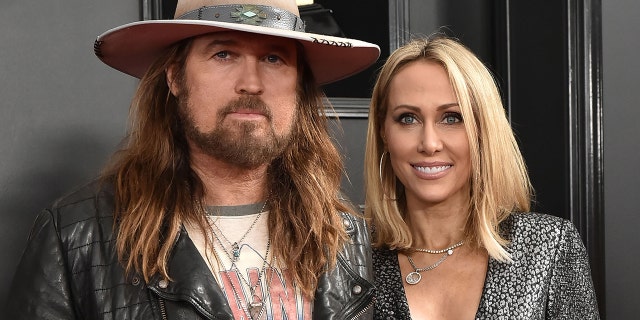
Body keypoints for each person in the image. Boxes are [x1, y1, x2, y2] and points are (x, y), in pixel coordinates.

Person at [6, 0, 380, 319]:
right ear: (175, 78)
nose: (251, 82)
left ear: (299, 85)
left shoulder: (352, 240)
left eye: (273, 57)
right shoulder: (75, 237)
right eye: (223, 54)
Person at [364, 36, 599, 319]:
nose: (429, 143)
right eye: (408, 119)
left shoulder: (548, 246)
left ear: (482, 130)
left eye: (452, 118)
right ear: (383, 133)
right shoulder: (352, 259)